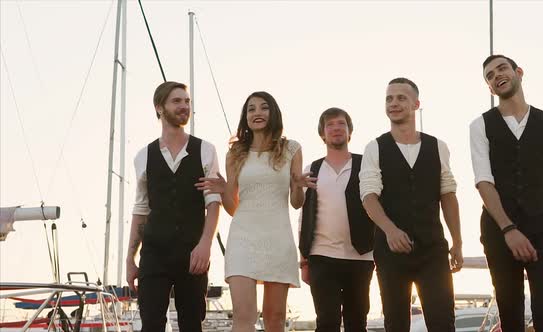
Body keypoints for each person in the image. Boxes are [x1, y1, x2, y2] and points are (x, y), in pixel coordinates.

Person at [470, 54, 543, 332]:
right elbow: (483, 182)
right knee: (510, 313)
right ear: (489, 88)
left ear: (518, 72)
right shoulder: (480, 125)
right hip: (499, 231)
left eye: (502, 68)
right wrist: (509, 229)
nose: (496, 75)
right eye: (489, 75)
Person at [197, 91, 314, 332]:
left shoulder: (291, 149)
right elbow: (233, 207)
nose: (257, 113)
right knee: (243, 315)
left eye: (263, 107)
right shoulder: (235, 153)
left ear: (273, 113)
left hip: (278, 238)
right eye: (251, 109)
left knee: (275, 318)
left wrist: (300, 188)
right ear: (245, 117)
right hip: (243, 239)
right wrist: (223, 191)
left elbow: (296, 202)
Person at [360, 77, 463, 332]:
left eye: (401, 98)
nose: (393, 103)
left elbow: (448, 194)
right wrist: (390, 230)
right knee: (396, 324)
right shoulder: (375, 147)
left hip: (433, 250)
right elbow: (368, 196)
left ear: (416, 104)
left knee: (443, 323)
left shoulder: (437, 146)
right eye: (389, 99)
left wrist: (457, 241)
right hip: (390, 252)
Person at [125, 81, 221, 332]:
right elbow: (141, 209)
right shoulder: (143, 156)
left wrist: (205, 245)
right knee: (151, 323)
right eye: (177, 101)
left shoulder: (205, 150)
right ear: (160, 108)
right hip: (154, 252)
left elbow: (213, 203)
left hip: (193, 252)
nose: (184, 106)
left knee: (192, 323)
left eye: (187, 101)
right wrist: (130, 258)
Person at [298, 108, 375, 332]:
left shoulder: (366, 165)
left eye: (341, 124)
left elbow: (378, 206)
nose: (336, 128)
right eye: (330, 125)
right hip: (321, 256)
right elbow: (304, 215)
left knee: (357, 321)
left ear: (350, 131)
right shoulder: (312, 169)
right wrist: (304, 260)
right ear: (322, 133)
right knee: (327, 321)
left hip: (361, 255)